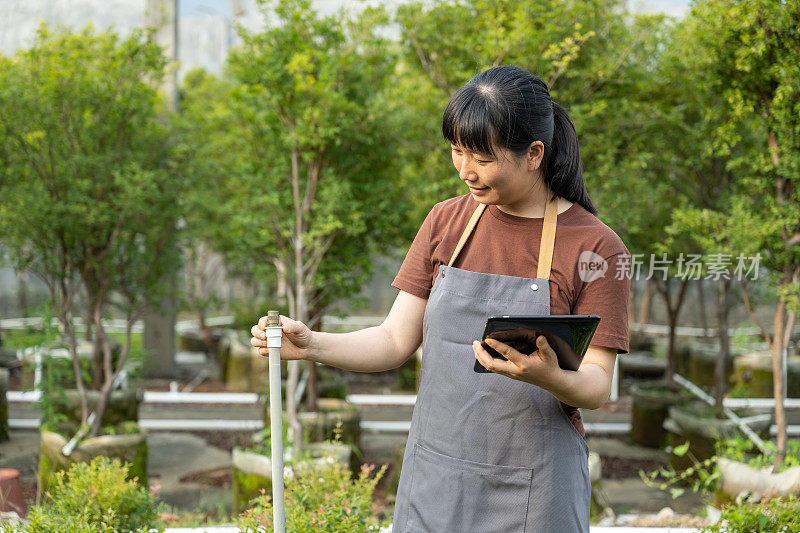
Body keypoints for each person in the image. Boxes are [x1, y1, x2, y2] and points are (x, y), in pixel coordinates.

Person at [251, 64, 630, 533]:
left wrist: (550, 377)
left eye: (482, 158)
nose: (465, 171)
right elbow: (393, 340)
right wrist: (311, 346)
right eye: (456, 151)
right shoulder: (445, 223)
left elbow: (596, 384)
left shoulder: (595, 247)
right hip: (439, 475)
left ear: (534, 154)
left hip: (536, 487)